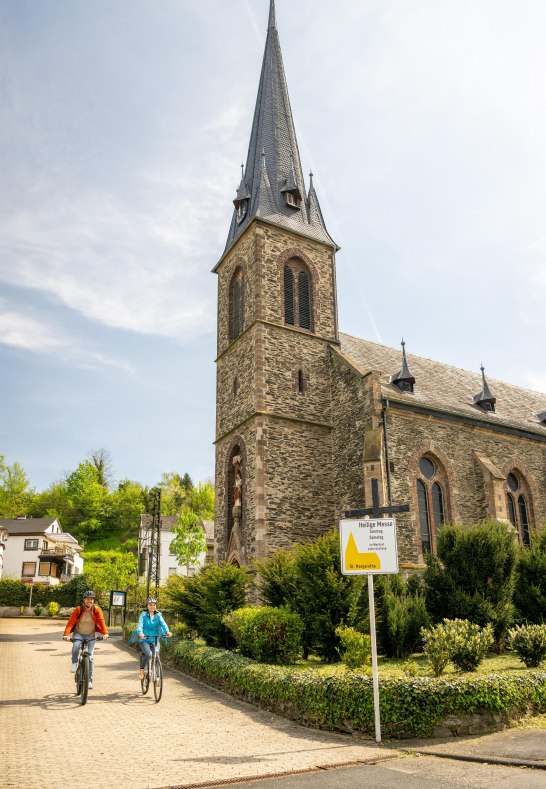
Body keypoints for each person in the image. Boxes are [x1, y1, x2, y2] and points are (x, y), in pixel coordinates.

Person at [63, 590, 109, 690]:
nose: (90, 601)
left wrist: (105, 633)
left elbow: (101, 621)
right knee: (76, 646)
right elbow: (71, 622)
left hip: (90, 635)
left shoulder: (96, 610)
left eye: (92, 599)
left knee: (90, 657)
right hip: (79, 634)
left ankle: (89, 680)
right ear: (84, 600)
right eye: (88, 599)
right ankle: (74, 662)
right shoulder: (78, 610)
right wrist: (66, 634)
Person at [131, 597, 172, 680]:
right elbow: (140, 625)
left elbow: (163, 624)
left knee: (156, 655)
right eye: (150, 605)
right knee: (149, 654)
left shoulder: (158, 615)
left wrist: (167, 631)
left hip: (155, 639)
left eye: (154, 605)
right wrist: (141, 633)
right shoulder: (143, 615)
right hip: (144, 639)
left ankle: (157, 676)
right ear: (147, 606)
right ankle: (141, 670)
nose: (152, 606)